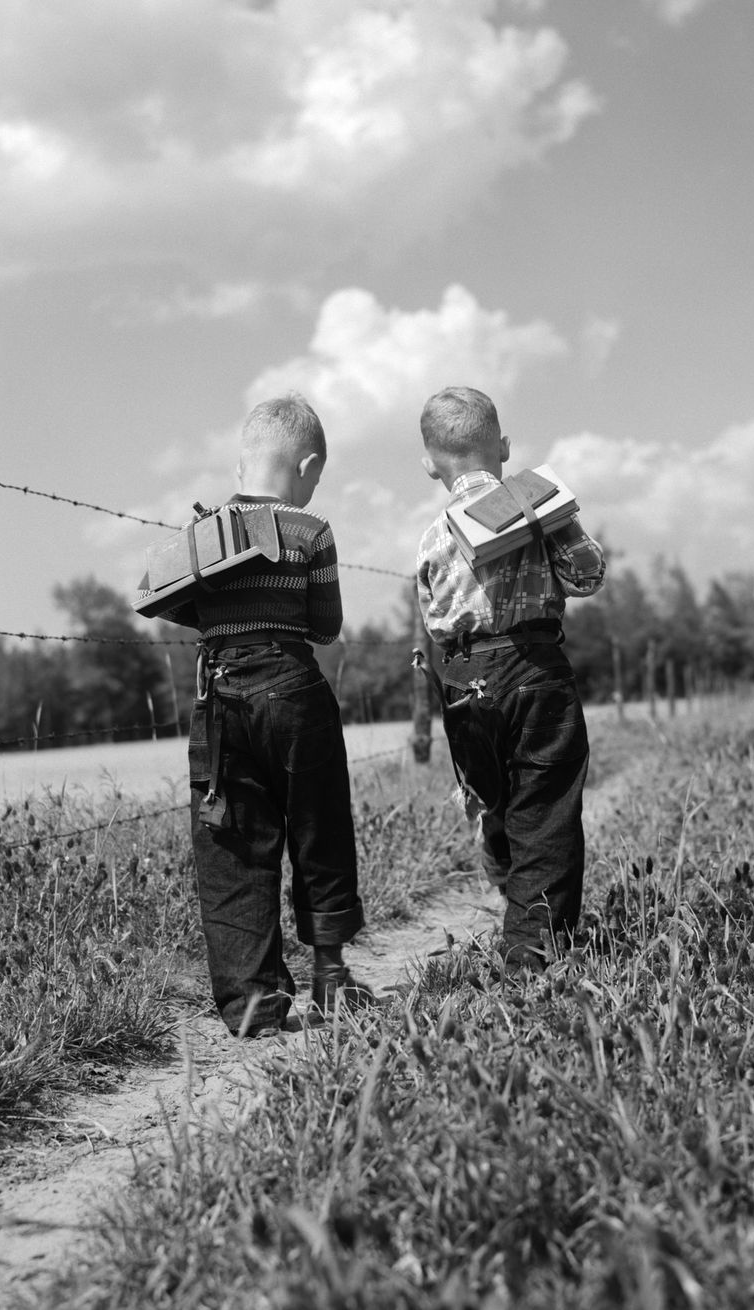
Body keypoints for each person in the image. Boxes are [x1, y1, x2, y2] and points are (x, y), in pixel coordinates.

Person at [161, 394, 371, 1037]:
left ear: (239, 467)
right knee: (319, 828)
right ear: (307, 465)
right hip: (292, 690)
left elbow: (179, 607)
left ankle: (252, 1002)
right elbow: (327, 627)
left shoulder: (203, 535)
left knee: (231, 842)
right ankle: (331, 978)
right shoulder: (312, 531)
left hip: (219, 699)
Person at [415, 386, 606, 971]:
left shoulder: (432, 534)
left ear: (430, 464)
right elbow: (587, 577)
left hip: (466, 679)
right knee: (544, 808)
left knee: (492, 797)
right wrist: (558, 531)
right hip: (536, 668)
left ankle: (506, 871)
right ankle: (533, 956)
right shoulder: (539, 506)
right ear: (502, 444)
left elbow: (432, 615)